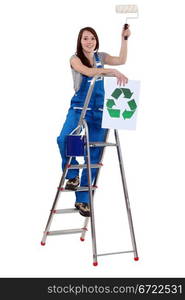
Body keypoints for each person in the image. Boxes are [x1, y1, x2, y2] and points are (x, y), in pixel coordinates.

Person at [57, 26, 131, 217]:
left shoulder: (101, 57)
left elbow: (122, 60)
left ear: (96, 41)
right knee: (66, 139)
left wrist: (124, 39)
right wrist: (112, 72)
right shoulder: (75, 59)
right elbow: (89, 72)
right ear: (79, 41)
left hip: (99, 111)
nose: (89, 42)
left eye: (92, 38)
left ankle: (83, 201)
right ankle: (71, 174)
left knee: (94, 156)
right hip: (79, 108)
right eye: (85, 39)